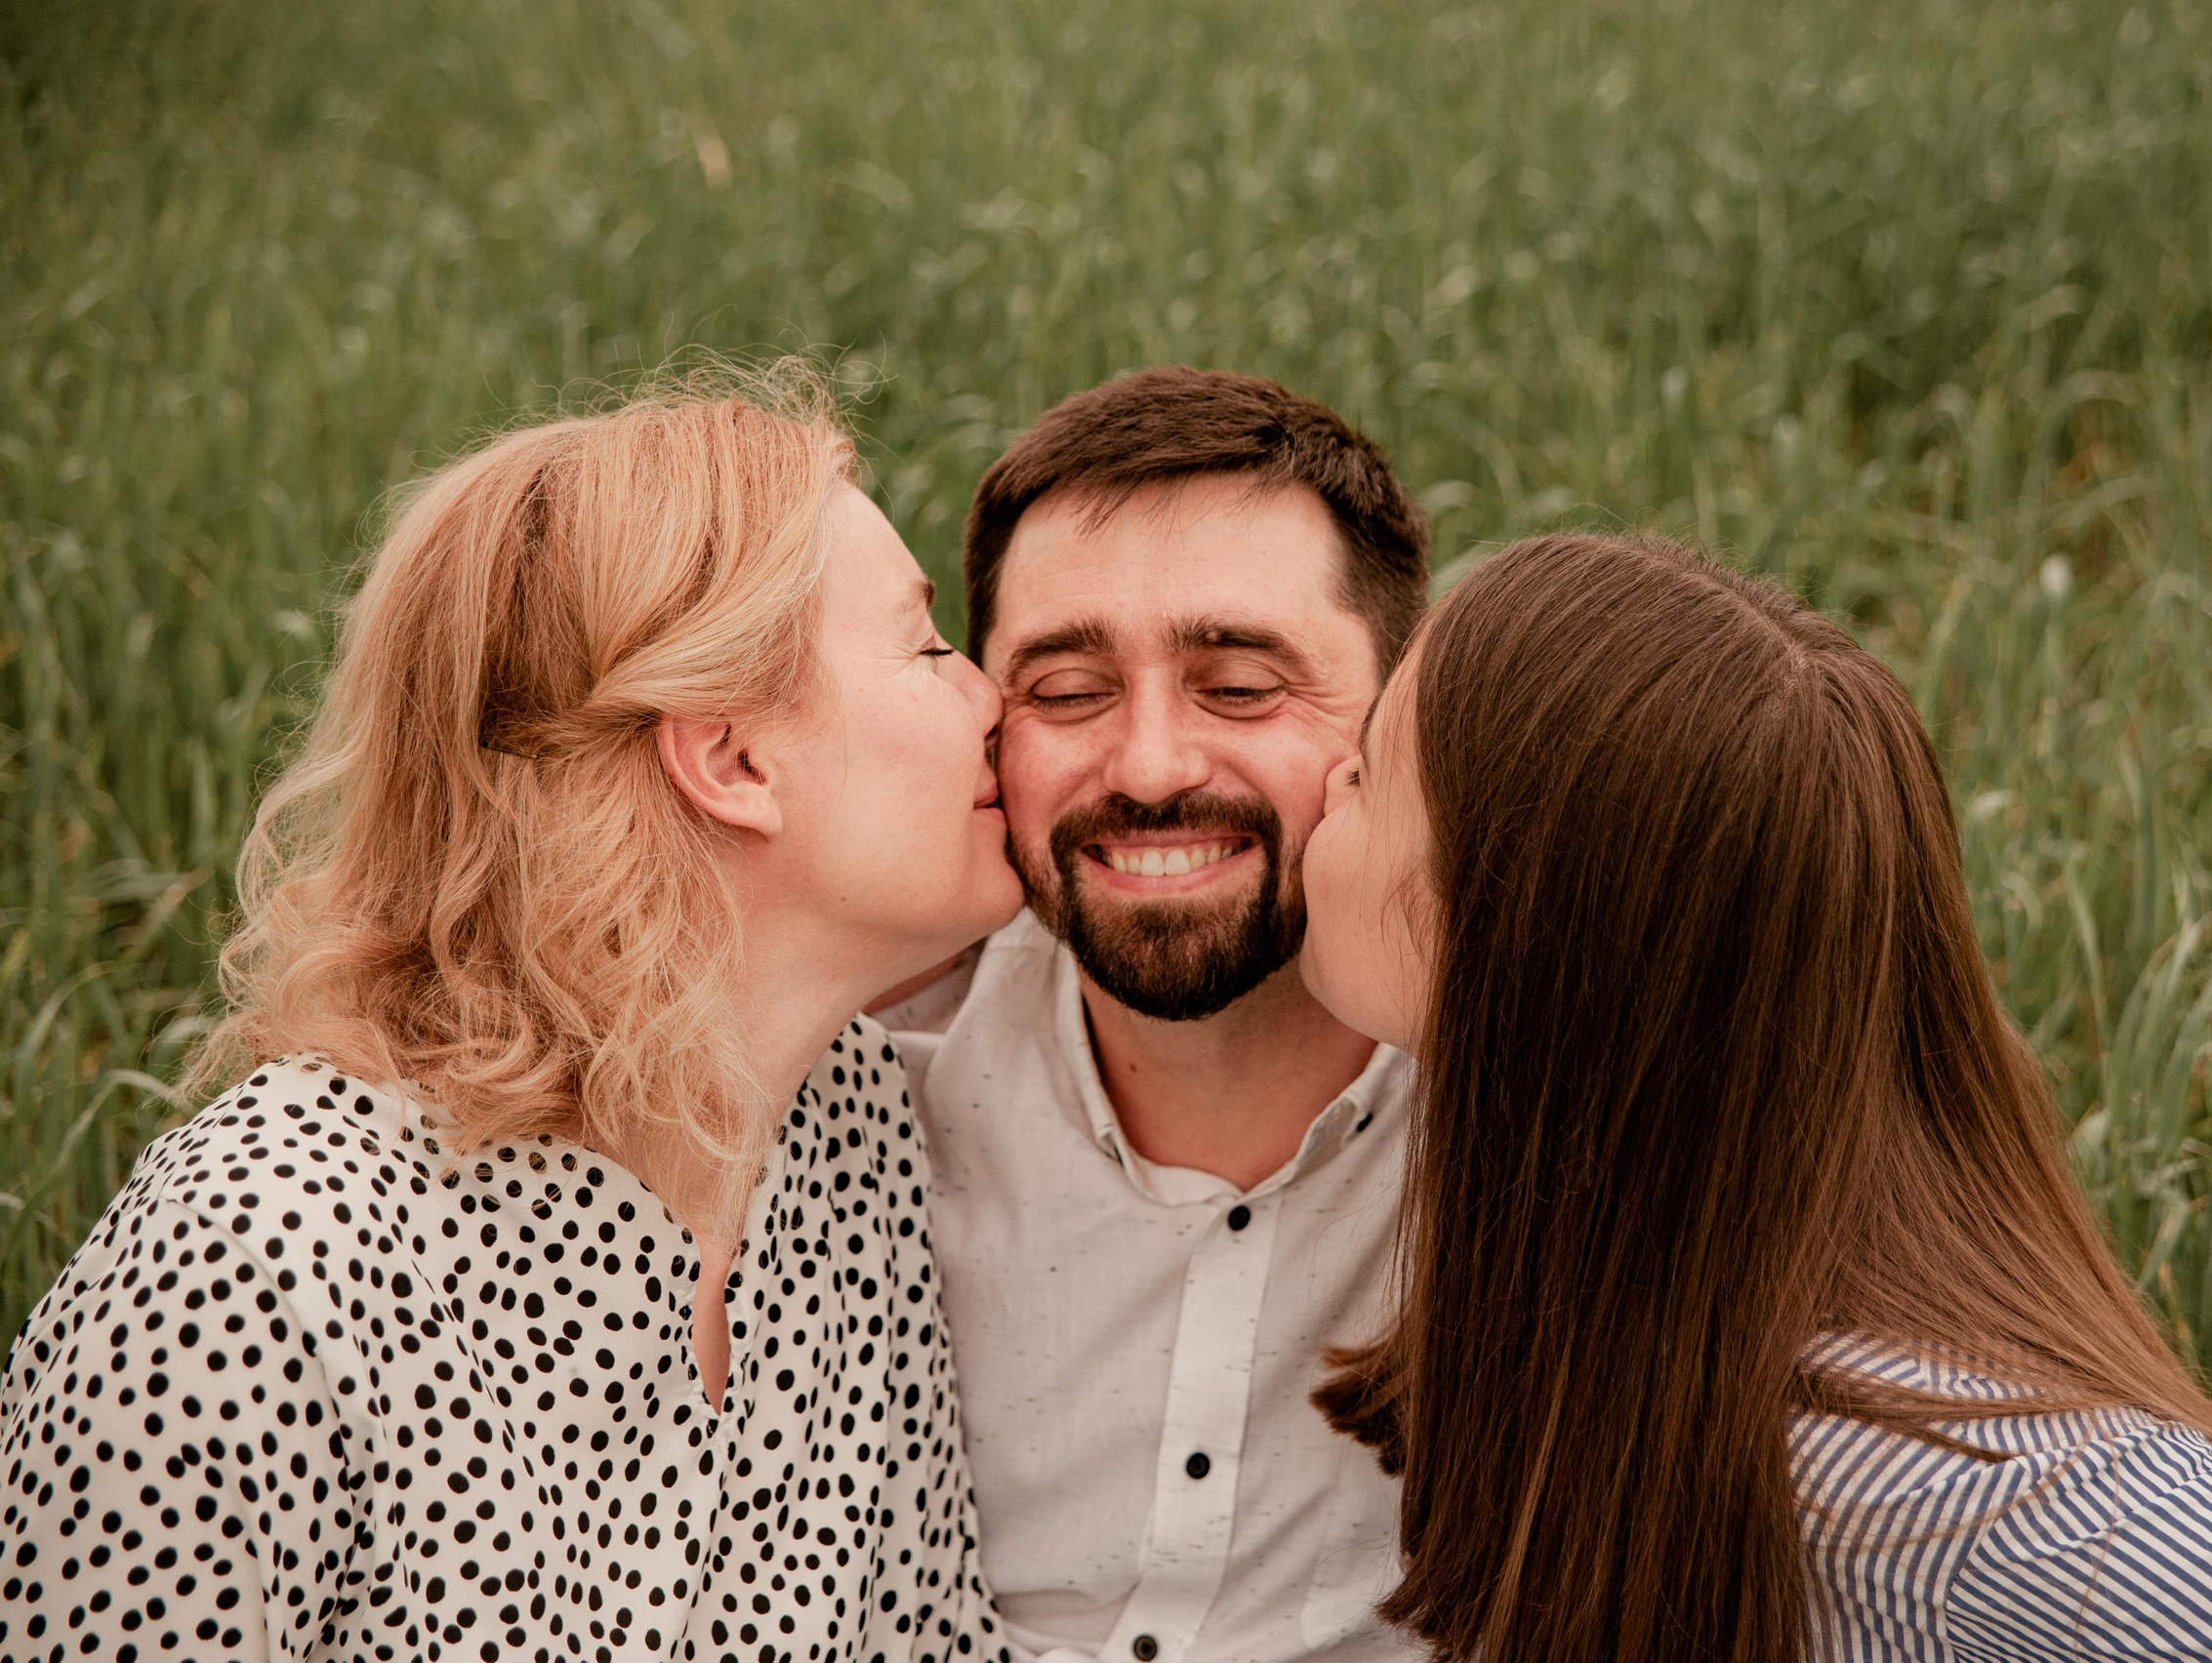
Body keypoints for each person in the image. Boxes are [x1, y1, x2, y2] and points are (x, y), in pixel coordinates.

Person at [1297, 532, 2212, 1663]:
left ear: (1516, 940)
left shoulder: (1940, 1476)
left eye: (1369, 773)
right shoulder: (1655, 1275)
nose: (1326, 776)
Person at [0, 375, 1023, 1663]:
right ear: (731, 760)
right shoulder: (256, 1268)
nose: (994, 699)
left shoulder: (845, 1121)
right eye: (929, 648)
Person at [869, 368, 1431, 1663]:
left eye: (1239, 686)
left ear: (1396, 718)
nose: (1153, 768)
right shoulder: (858, 1093)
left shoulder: (1558, 1107)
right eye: (1067, 693)